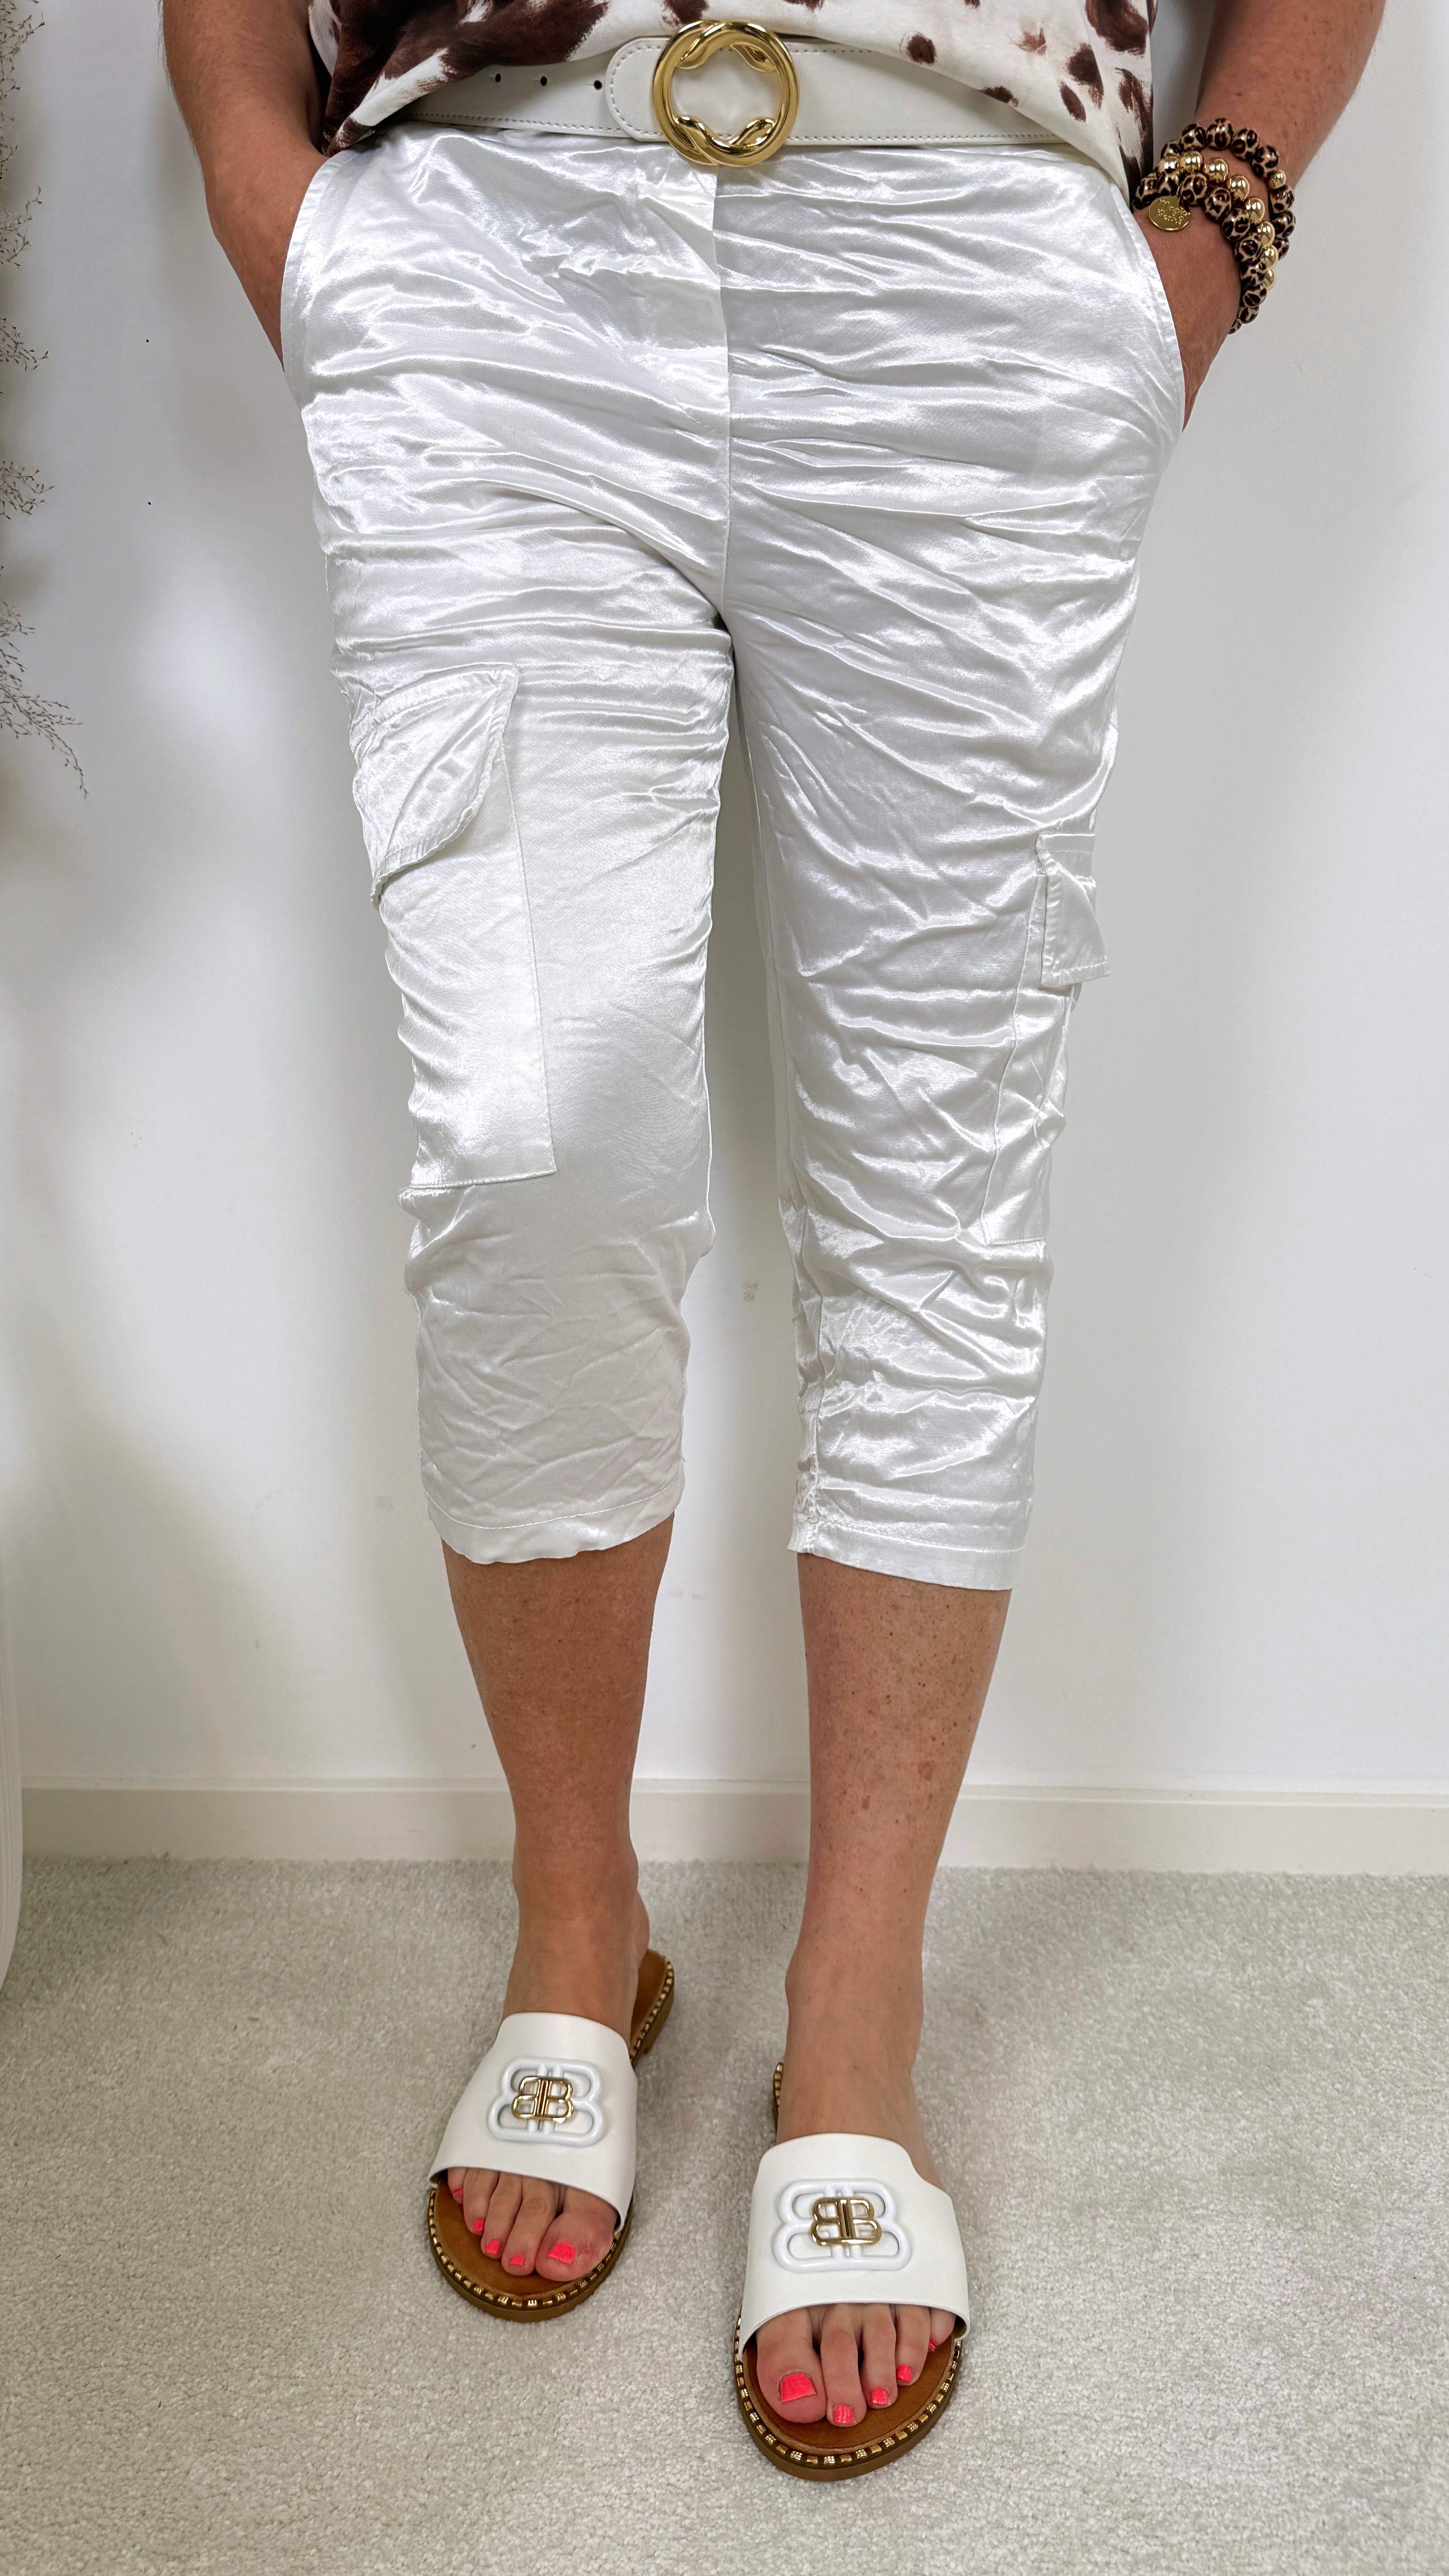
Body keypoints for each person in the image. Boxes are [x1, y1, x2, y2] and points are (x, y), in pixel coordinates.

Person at [164, 0, 1383, 2481]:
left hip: (970, 251)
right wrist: (268, 194)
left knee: (943, 1176)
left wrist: (1208, 235)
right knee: (530, 1143)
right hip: (491, 232)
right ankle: (577, 1930)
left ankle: (856, 2016)